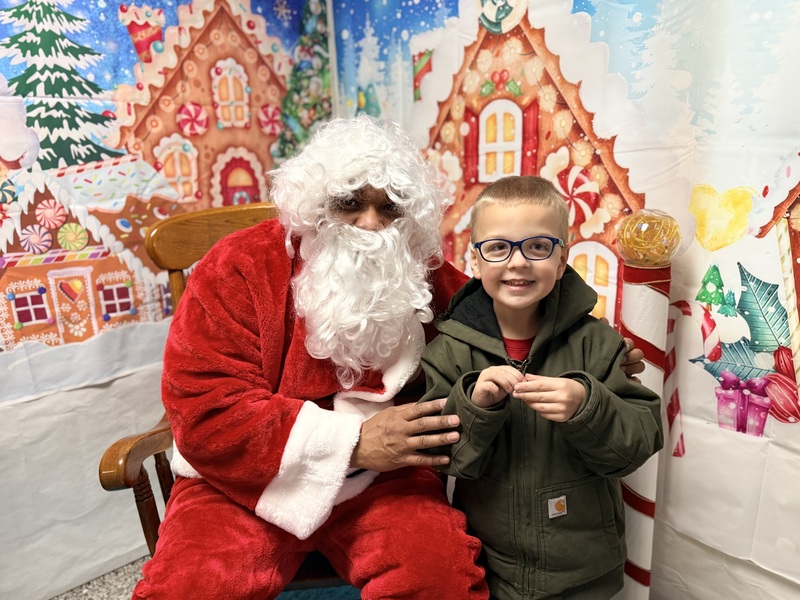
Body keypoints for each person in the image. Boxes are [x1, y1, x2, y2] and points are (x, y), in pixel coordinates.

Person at [131, 117, 645, 599]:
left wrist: (595, 344)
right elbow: (205, 408)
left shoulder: (422, 273)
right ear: (316, 204)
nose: (371, 223)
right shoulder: (239, 266)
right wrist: (353, 443)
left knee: (440, 577)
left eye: (390, 206)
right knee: (188, 586)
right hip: (243, 482)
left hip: (387, 480)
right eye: (350, 202)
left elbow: (514, 302)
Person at [419, 175, 663, 600]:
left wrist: (587, 406)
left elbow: (638, 441)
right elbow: (441, 460)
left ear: (562, 259)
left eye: (538, 247)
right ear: (474, 261)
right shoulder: (448, 352)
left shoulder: (597, 342)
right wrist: (474, 405)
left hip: (586, 567)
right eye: (498, 247)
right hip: (491, 564)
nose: (518, 263)